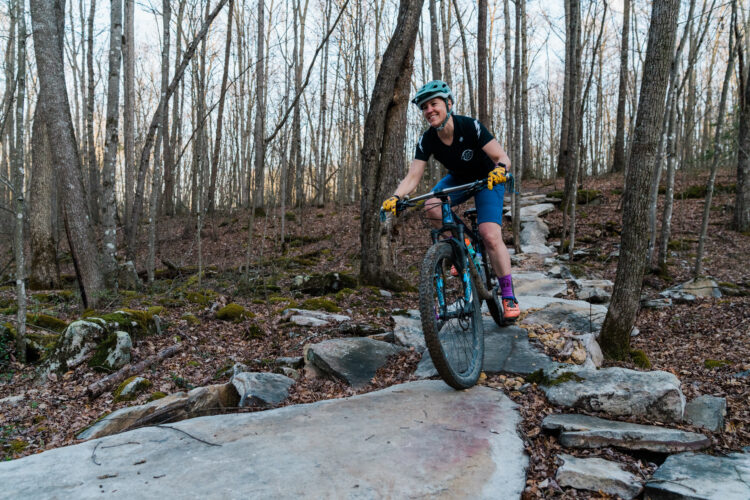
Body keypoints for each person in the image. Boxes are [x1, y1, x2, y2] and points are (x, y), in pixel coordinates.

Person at [381, 80, 520, 321]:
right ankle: (465, 247)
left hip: (488, 180)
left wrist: (499, 170)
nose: (429, 111)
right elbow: (413, 176)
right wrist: (395, 197)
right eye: (424, 107)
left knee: (489, 234)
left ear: (448, 104)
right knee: (432, 205)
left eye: (434, 104)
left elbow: (502, 157)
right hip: (458, 179)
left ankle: (508, 295)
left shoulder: (470, 127)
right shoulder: (427, 140)